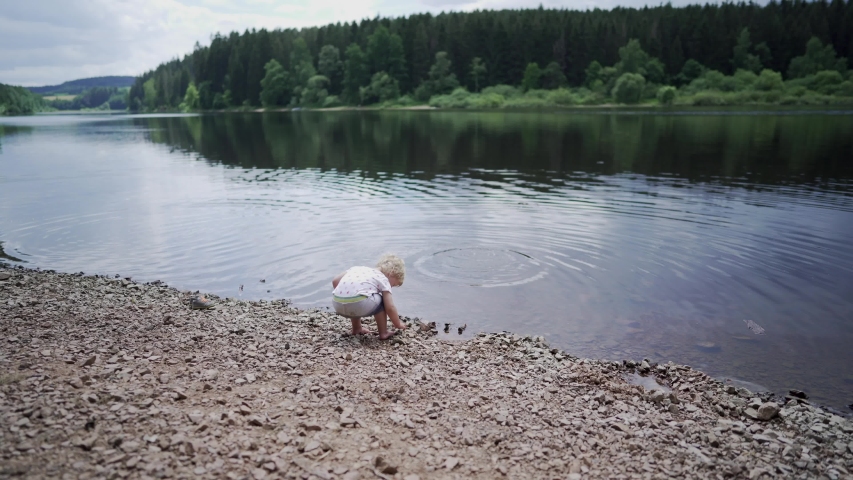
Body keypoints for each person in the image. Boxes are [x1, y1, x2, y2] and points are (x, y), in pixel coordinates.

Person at [332, 254, 407, 340]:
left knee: (357, 293)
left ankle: (356, 328)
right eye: (392, 285)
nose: (390, 287)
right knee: (383, 300)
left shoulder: (357, 269)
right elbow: (390, 307)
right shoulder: (383, 278)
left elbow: (335, 281)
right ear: (391, 273)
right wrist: (398, 324)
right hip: (358, 304)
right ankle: (384, 333)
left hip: (337, 303)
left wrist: (344, 295)